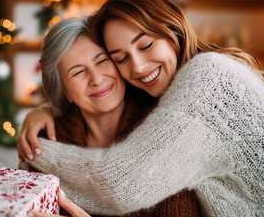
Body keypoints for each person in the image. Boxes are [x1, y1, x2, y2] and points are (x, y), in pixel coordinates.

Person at [19, 0, 264, 216]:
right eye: (121, 58)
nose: (137, 67)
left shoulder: (208, 79)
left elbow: (120, 183)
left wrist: (37, 152)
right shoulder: (165, 95)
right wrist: (44, 110)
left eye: (146, 45)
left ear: (172, 29)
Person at [24, 17, 201, 216]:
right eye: (78, 72)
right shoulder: (45, 144)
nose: (97, 79)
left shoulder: (167, 131)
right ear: (65, 91)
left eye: (102, 61)